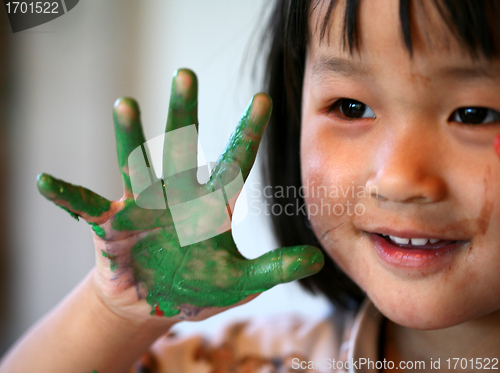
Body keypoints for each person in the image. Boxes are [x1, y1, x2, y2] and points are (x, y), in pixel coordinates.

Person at [1, 0, 500, 372]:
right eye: (351, 107)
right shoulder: (248, 362)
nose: (398, 179)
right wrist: (119, 313)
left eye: (475, 115)